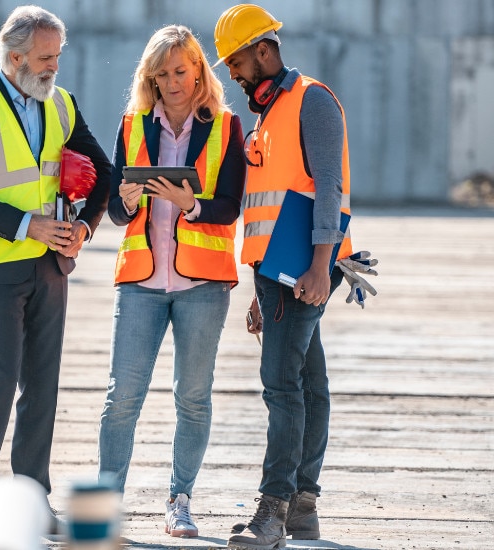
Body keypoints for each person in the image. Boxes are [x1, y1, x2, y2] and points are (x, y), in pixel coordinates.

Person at [0, 4, 112, 538]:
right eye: (45, 57)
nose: (54, 66)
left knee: (42, 385)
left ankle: (33, 500)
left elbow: (103, 170)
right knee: (1, 380)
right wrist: (25, 226)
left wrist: (84, 227)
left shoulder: (60, 102)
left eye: (57, 56)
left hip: (52, 267)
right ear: (15, 57)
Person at [212, 4, 356, 550]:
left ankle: (272, 511)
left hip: (307, 268)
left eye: (237, 61)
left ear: (264, 51)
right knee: (308, 384)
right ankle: (303, 508)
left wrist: (322, 265)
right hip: (277, 273)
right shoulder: (268, 116)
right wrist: (258, 289)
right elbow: (267, 209)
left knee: (280, 385)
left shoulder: (312, 101)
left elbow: (329, 188)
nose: (232, 73)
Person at [97, 25, 245, 539]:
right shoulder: (133, 123)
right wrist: (128, 201)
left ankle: (180, 500)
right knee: (122, 397)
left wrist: (192, 205)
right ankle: (105, 507)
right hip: (140, 279)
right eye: (161, 75)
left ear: (199, 69)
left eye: (180, 71)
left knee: (193, 397)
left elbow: (230, 208)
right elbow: (115, 209)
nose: (172, 83)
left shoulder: (227, 126)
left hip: (202, 285)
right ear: (151, 78)